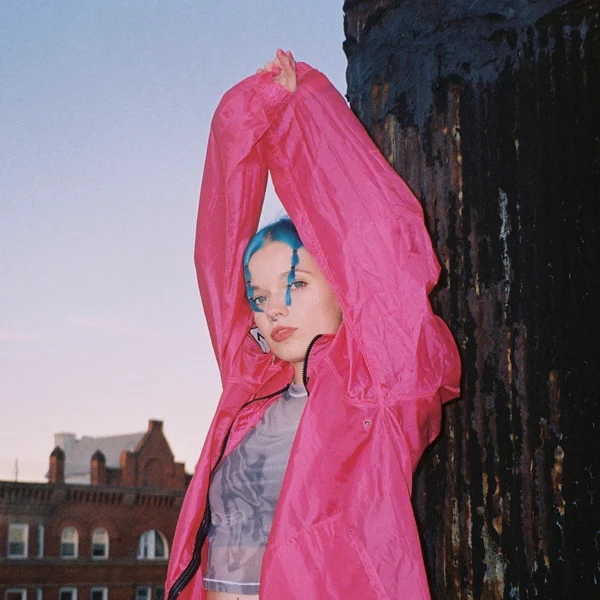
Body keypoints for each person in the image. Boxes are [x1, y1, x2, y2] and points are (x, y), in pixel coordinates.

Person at [166, 50, 461, 600]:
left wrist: (303, 112)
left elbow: (375, 236)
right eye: (259, 297)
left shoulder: (380, 391)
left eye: (296, 284)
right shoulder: (250, 388)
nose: (273, 309)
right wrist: (248, 115)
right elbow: (217, 250)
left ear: (344, 287)